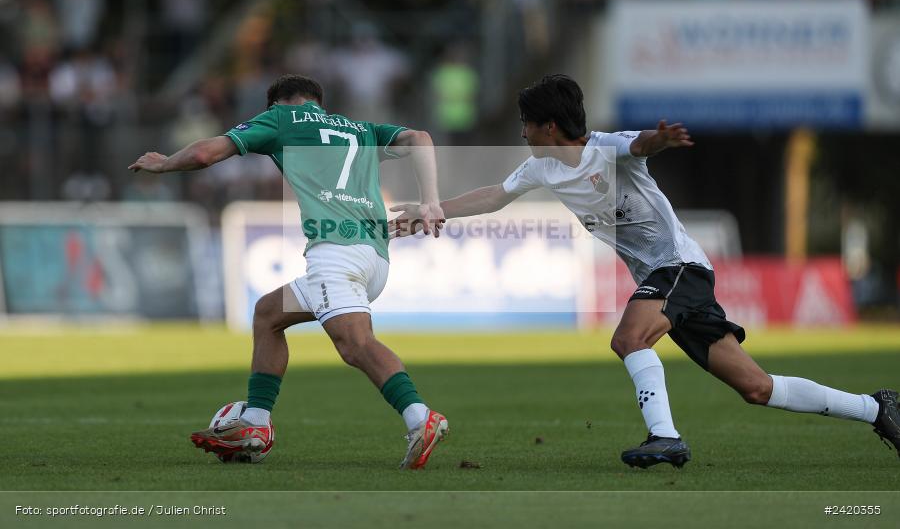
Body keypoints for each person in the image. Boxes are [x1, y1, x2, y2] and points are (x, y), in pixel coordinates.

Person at [392, 74, 900, 468]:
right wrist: (431, 208)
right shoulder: (541, 167)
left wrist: (658, 141)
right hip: (669, 280)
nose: (521, 131)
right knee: (757, 387)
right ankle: (878, 408)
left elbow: (639, 146)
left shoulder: (605, 148)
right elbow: (493, 197)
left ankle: (665, 437)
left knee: (629, 339)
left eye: (526, 122)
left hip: (679, 267)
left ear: (548, 126)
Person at [129, 74, 449, 469]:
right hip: (375, 255)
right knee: (268, 313)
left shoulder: (283, 120)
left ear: (277, 104)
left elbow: (204, 154)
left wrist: (164, 165)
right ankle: (256, 422)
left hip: (336, 254)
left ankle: (421, 417)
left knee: (355, 344)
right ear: (319, 102)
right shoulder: (361, 129)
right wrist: (431, 201)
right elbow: (420, 137)